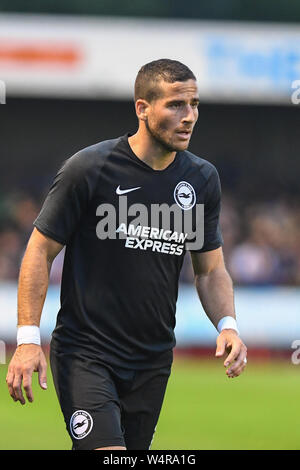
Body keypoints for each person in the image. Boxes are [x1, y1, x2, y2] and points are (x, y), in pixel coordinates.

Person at [6, 59, 247, 450]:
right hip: (87, 354)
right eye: (175, 105)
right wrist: (29, 339)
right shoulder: (89, 169)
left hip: (153, 360)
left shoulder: (202, 179)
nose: (189, 117)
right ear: (142, 108)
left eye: (195, 105)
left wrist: (228, 324)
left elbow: (209, 269)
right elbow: (39, 250)